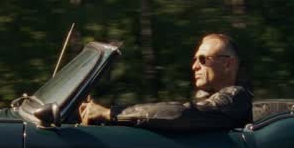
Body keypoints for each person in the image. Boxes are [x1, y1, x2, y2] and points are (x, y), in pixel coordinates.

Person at [78, 33, 253, 131]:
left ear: (228, 63)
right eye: (194, 60)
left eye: (202, 59)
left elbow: (180, 115)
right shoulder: (209, 102)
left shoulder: (235, 99)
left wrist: (110, 113)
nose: (194, 67)